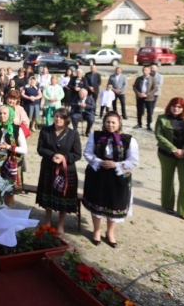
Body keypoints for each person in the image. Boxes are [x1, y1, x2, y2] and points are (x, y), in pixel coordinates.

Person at [82, 112, 139, 248]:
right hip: (98, 173)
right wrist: (99, 162)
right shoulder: (95, 136)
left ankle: (110, 232)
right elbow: (88, 153)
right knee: (97, 201)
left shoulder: (128, 140)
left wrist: (116, 164)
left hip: (117, 176)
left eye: (113, 122)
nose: (110, 125)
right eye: (108, 122)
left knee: (114, 204)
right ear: (104, 123)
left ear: (119, 123)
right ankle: (96, 231)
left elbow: (134, 160)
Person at [36, 109, 82, 233]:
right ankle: (48, 221)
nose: (58, 119)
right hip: (48, 167)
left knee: (63, 198)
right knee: (48, 196)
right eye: (56, 116)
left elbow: (77, 154)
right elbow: (40, 149)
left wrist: (64, 158)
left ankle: (61, 224)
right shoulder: (45, 130)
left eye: (61, 117)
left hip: (66, 171)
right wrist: (52, 155)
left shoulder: (73, 134)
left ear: (66, 120)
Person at [155, 97, 184, 220]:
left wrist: (183, 150)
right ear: (169, 106)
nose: (176, 109)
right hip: (166, 154)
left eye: (179, 107)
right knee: (167, 179)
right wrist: (173, 149)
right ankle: (168, 205)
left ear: (183, 108)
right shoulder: (162, 118)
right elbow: (159, 135)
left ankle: (183, 210)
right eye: (174, 106)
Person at [0, 104, 28, 206]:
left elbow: (24, 149)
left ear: (11, 115)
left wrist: (9, 147)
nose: (2, 116)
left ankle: (7, 212)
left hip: (11, 162)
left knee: (9, 191)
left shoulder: (17, 129)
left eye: (5, 113)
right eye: (0, 113)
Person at [133, 66, 157, 130]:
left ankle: (148, 125)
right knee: (139, 111)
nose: (144, 71)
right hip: (140, 97)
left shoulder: (153, 79)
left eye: (146, 70)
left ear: (149, 71)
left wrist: (147, 94)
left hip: (149, 98)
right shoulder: (139, 79)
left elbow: (155, 88)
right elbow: (134, 87)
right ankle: (139, 123)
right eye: (144, 70)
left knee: (149, 112)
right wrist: (139, 93)